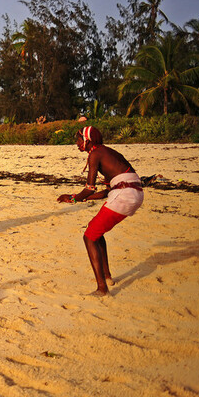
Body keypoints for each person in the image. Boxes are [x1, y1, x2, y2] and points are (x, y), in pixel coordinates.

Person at [57, 126, 143, 296]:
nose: (77, 143)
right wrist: (81, 198)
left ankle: (102, 288)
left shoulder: (95, 154)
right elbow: (105, 192)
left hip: (124, 195)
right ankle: (107, 276)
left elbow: (90, 188)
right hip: (134, 194)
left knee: (88, 237)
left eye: (79, 139)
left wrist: (74, 198)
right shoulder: (109, 152)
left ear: (87, 140)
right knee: (97, 232)